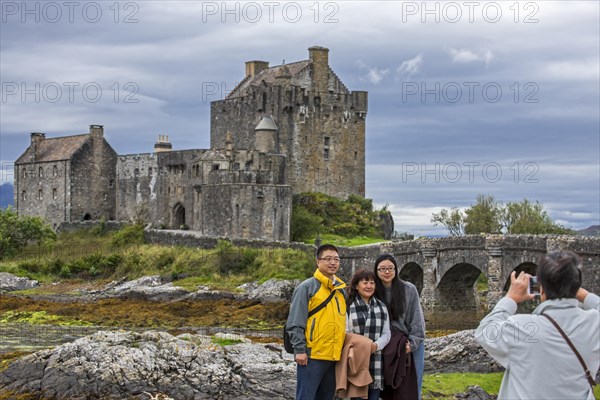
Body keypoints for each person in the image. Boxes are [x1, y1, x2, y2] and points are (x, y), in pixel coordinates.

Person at [475, 250, 600, 399]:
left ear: (541, 287)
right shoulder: (594, 324)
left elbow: (485, 331)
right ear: (577, 285)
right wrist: (582, 294)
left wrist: (510, 298)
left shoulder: (523, 328)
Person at [286, 244, 347, 400]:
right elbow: (295, 321)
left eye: (336, 259)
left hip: (334, 357)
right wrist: (299, 350)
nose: (333, 262)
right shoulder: (307, 287)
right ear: (318, 262)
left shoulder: (341, 290)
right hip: (311, 356)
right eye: (328, 259)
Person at [374, 253, 426, 399]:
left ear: (396, 270)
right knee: (387, 388)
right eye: (382, 269)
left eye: (390, 268)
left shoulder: (408, 289)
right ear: (376, 271)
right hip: (386, 345)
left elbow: (417, 318)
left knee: (413, 387)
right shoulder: (373, 291)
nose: (387, 272)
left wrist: (413, 343)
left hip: (408, 342)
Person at [343, 269, 391, 400]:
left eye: (372, 283)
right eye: (365, 283)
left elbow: (386, 333)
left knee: (374, 396)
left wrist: (375, 346)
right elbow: (345, 333)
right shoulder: (347, 306)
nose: (369, 286)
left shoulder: (382, 306)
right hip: (355, 359)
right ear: (357, 285)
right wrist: (364, 346)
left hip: (376, 360)